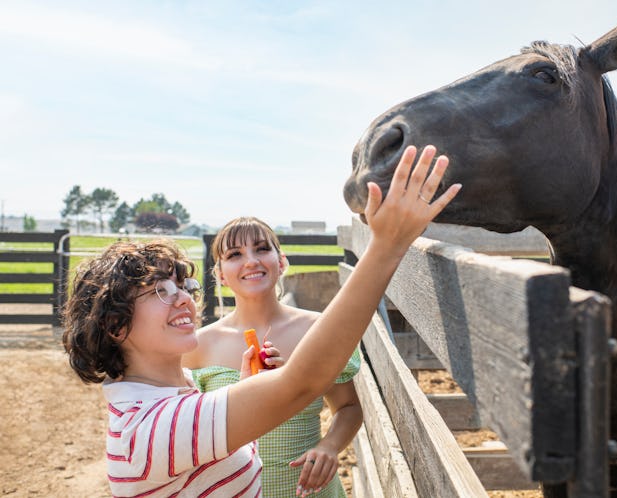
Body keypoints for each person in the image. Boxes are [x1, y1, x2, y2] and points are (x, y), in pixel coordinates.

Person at [62, 145, 461, 497]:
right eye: (160, 292)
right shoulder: (149, 432)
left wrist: (249, 390)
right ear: (117, 327)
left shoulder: (173, 391)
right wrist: (387, 246)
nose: (183, 297)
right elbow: (297, 386)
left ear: (280, 260)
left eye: (181, 285)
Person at [183, 215, 362, 498]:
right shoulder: (197, 346)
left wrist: (329, 446)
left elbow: (348, 407)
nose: (251, 260)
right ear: (219, 274)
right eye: (235, 254)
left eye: (262, 249)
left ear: (281, 262)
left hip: (312, 492)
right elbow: (191, 434)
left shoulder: (318, 331)